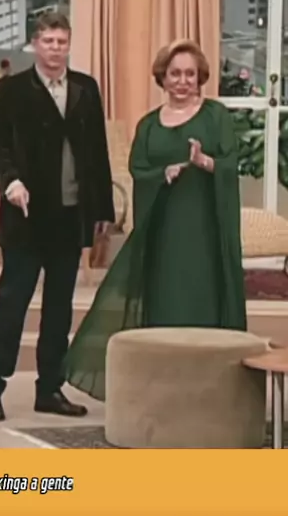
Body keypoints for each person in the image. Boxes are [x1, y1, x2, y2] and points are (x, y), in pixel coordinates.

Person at [64, 39, 247, 402]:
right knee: (164, 303)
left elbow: (230, 164)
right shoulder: (148, 125)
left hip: (205, 232)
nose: (183, 81)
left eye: (190, 74)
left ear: (201, 77)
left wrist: (204, 162)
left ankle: (206, 391)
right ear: (162, 77)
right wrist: (162, 174)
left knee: (201, 302)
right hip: (162, 232)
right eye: (175, 74)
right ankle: (165, 390)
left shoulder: (216, 117)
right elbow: (138, 169)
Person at [0, 10, 115, 421]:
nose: (55, 49)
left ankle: (50, 388)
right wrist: (10, 182)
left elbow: (97, 151)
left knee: (59, 309)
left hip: (69, 216)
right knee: (12, 304)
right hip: (25, 216)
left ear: (69, 44)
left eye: (62, 41)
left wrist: (102, 209)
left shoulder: (86, 88)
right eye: (48, 41)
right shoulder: (12, 90)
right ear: (35, 45)